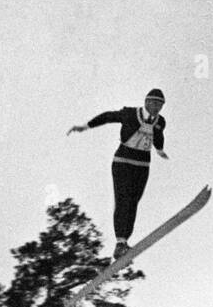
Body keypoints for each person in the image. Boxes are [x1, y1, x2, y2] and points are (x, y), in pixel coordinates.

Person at [67, 89, 168, 260]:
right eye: (154, 103)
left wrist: (160, 150)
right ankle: (120, 240)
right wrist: (85, 126)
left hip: (142, 164)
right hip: (123, 161)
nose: (157, 108)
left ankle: (123, 243)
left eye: (160, 105)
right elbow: (107, 116)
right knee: (123, 199)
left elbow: (158, 136)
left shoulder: (161, 122)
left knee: (134, 202)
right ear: (146, 102)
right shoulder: (129, 113)